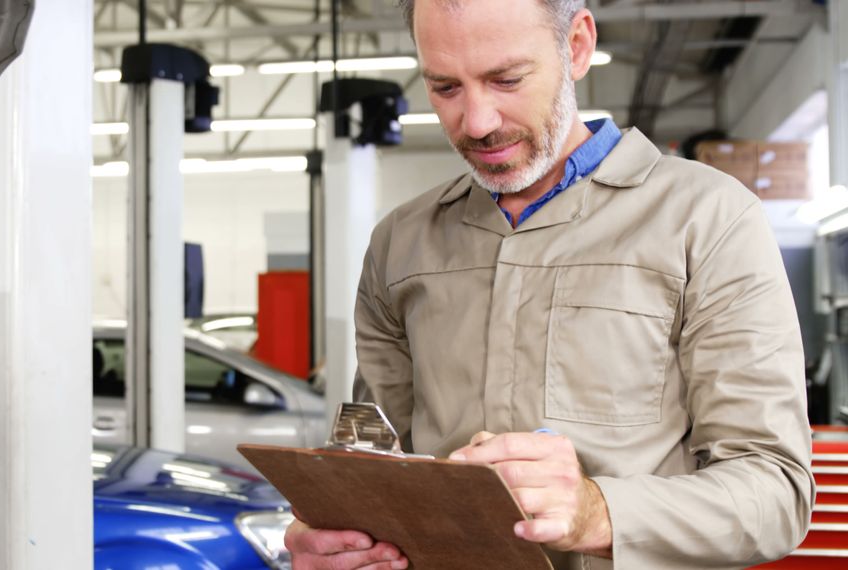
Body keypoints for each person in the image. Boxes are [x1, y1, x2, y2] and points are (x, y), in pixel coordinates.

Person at [284, 0, 815, 568]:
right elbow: (373, 457)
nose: (478, 121)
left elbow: (776, 490)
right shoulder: (401, 243)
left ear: (578, 45)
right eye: (444, 87)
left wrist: (599, 511)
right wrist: (333, 530)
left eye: (506, 79)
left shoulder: (707, 218)